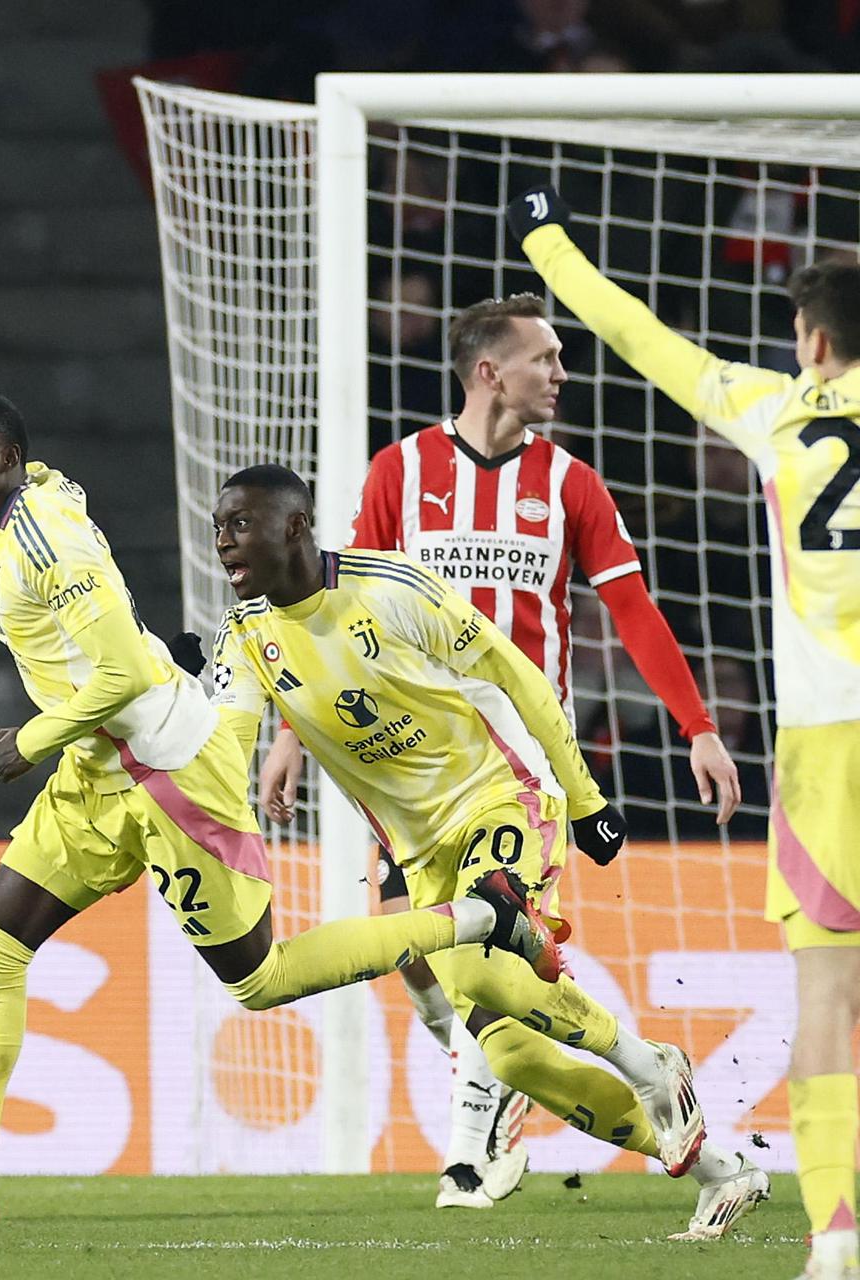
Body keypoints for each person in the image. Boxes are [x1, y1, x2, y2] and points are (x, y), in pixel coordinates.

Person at [0, 251, 555, 1237]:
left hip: (169, 770)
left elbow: (125, 672)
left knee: (263, 979)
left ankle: (481, 918)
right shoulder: (0, 501)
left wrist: (33, 736)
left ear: (5, 454)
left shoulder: (46, 540)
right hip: (100, 765)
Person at [260, 291, 742, 1210]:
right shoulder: (398, 472)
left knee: (483, 942)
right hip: (411, 762)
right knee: (413, 950)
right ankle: (508, 1085)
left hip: (521, 761)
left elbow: (632, 611)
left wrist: (698, 725)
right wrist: (290, 733)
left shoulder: (572, 484)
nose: (561, 374)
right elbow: (328, 609)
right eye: (544, 358)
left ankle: (478, 1135)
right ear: (490, 370)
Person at [204, 463, 768, 1241]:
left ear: (294, 527)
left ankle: (648, 1063)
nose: (224, 542)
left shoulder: (390, 586)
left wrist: (588, 796)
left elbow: (518, 674)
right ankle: (720, 1173)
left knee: (470, 961)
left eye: (239, 524)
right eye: (218, 527)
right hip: (415, 845)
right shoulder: (246, 637)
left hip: (503, 797)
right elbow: (225, 751)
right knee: (515, 1059)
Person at [514, 184, 860, 1280]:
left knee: (827, 997)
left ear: (811, 338)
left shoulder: (773, 407)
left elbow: (635, 331)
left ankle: (840, 1236)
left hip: (823, 744)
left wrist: (547, 239)